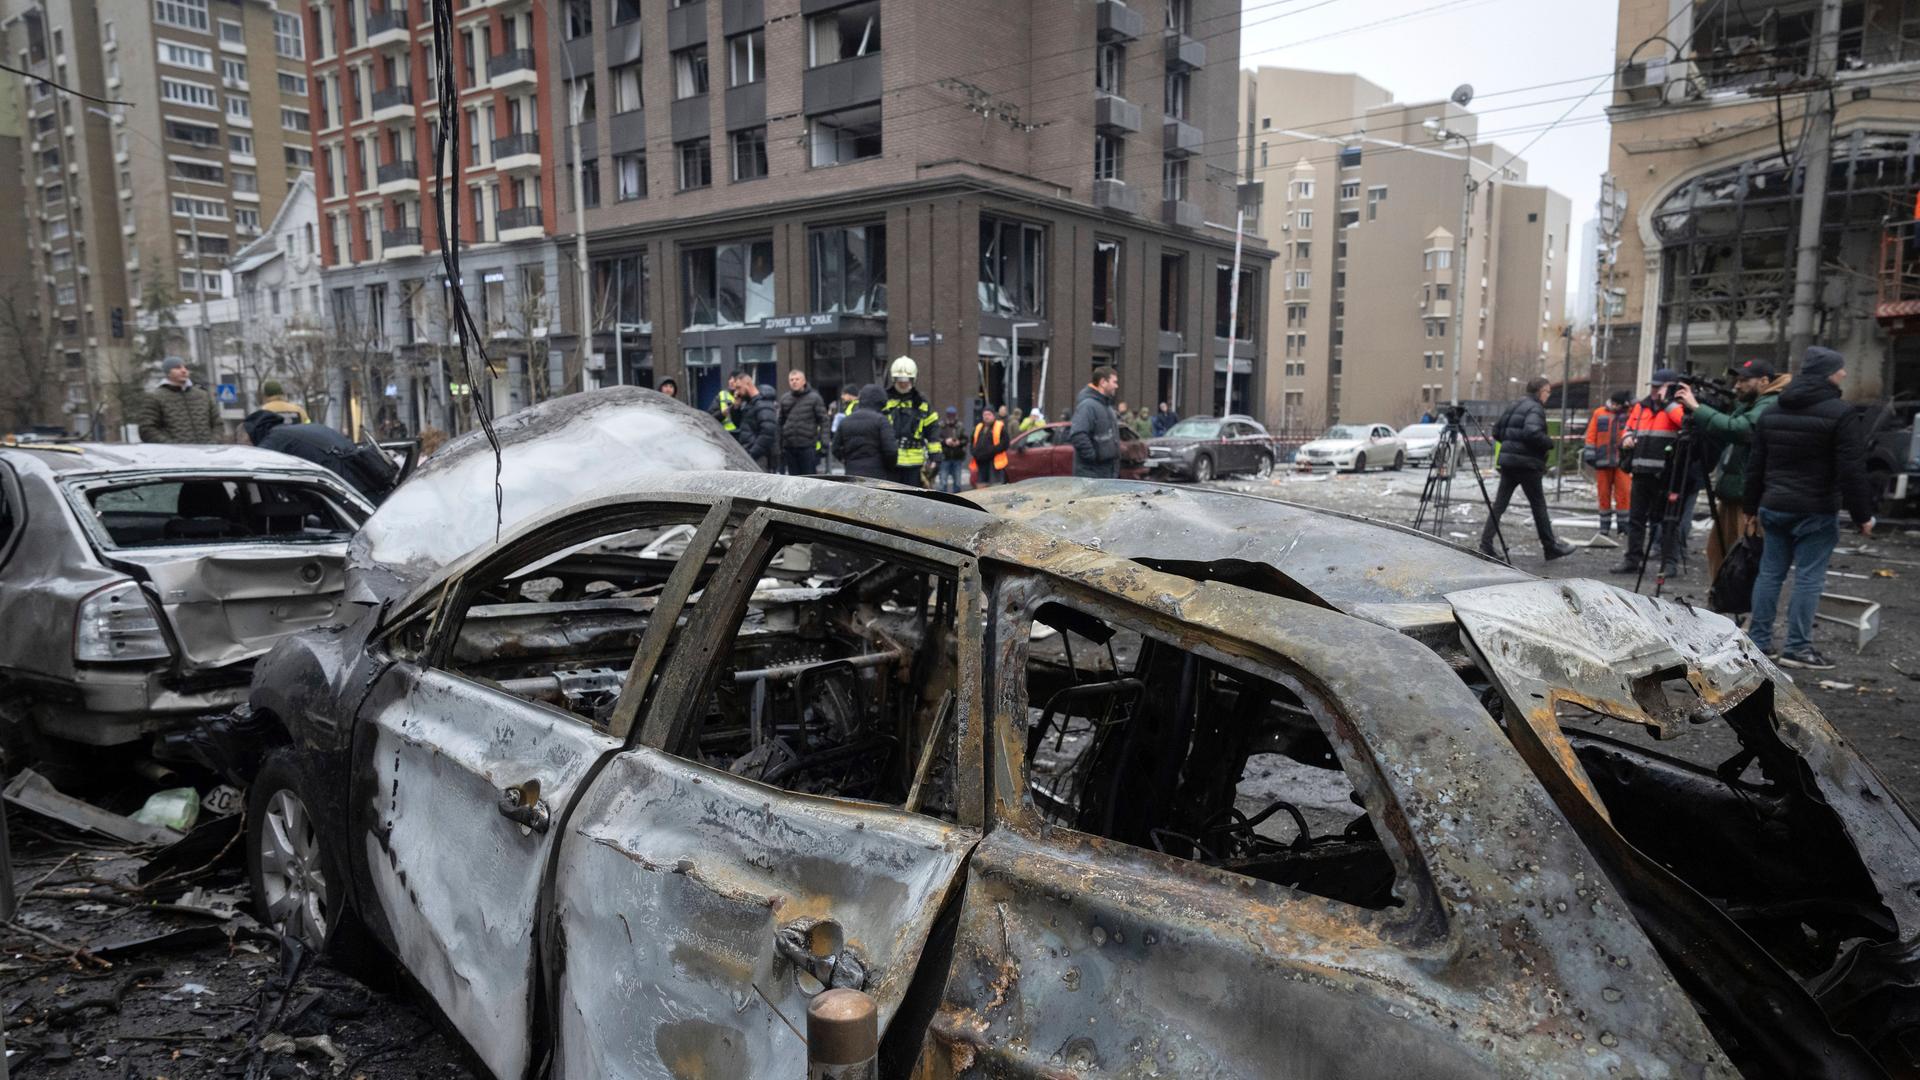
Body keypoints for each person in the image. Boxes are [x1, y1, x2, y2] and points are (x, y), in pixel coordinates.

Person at [1743, 347, 1876, 670]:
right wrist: (1863, 515)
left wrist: (1750, 506)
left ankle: (1758, 642)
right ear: (1829, 374)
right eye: (1840, 369)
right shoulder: (1841, 413)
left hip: (1773, 506)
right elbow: (1851, 469)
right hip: (1816, 509)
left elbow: (1756, 464)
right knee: (1808, 579)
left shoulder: (1773, 411)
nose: (1844, 374)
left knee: (1770, 574)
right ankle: (1797, 648)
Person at [1678, 358, 1791, 581]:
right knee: (1718, 551)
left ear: (1764, 381)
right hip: (1734, 491)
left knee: (1745, 555)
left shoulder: (1770, 405)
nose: (1737, 385)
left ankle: (1742, 605)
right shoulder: (1750, 404)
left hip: (1749, 496)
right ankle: (1721, 600)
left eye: (1744, 380)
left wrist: (1697, 408)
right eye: (1736, 380)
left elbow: (1739, 429)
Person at [1479, 376, 1578, 561]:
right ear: (1541, 391)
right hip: (1527, 465)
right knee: (1539, 505)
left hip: (1509, 463)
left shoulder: (1515, 405)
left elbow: (1497, 431)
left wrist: (1512, 447)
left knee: (1499, 505)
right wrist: (1548, 443)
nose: (1548, 396)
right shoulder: (1535, 408)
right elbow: (1532, 432)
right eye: (1548, 392)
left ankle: (1485, 544)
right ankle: (1550, 547)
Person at [1609, 369, 1692, 577]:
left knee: (1668, 520)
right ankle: (1632, 560)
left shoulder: (1677, 407)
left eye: (1659, 386)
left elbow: (1685, 423)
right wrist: (1627, 437)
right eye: (1653, 386)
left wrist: (1669, 402)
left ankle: (1669, 563)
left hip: (1666, 474)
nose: (1654, 390)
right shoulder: (1641, 407)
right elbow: (1628, 427)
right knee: (1636, 519)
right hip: (1641, 471)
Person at [242, 410, 398, 503]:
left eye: (244, 444)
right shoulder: (297, 430)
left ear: (250, 436)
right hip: (367, 485)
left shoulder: (272, 441)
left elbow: (252, 469)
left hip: (345, 493)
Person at [1582, 390, 1634, 535]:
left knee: (1623, 494)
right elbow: (1591, 435)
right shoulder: (1599, 413)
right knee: (1603, 495)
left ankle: (1623, 525)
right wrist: (1590, 455)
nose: (1615, 406)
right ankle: (1604, 526)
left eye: (1618, 404)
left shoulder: (1630, 413)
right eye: (1614, 403)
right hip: (1603, 461)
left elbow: (1639, 410)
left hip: (1621, 462)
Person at [139, 357, 222, 444]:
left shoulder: (203, 395)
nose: (183, 370)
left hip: (206, 454)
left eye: (185, 367)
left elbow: (218, 424)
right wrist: (171, 445)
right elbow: (147, 429)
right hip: (174, 455)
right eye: (177, 368)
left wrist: (214, 442)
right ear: (168, 372)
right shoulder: (155, 397)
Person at [882, 356, 937, 487]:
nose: (903, 383)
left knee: (913, 501)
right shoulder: (884, 400)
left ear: (913, 379)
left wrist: (936, 457)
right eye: (899, 380)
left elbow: (933, 431)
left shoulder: (922, 403)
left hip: (914, 465)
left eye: (906, 380)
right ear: (894, 379)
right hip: (890, 462)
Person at [832, 384, 897, 480]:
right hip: (877, 473)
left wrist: (848, 461)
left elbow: (835, 448)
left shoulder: (846, 421)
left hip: (852, 472)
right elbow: (891, 450)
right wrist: (889, 467)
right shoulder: (881, 421)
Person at [1068, 366, 1123, 479]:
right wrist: (1093, 457)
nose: (1116, 386)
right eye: (1114, 382)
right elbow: (1078, 435)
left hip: (1105, 475)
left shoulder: (1106, 406)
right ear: (1103, 382)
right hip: (1092, 476)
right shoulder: (1088, 406)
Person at [778, 368, 828, 475]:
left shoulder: (815, 398)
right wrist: (779, 446)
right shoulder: (785, 399)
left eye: (797, 379)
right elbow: (780, 423)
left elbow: (824, 420)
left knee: (809, 477)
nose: (794, 382)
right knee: (794, 479)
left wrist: (824, 442)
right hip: (789, 447)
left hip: (807, 446)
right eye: (791, 380)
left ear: (804, 381)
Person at [728, 372, 779, 470]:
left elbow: (768, 432)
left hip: (759, 456)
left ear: (748, 384)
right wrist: (736, 407)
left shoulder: (763, 403)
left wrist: (752, 453)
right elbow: (739, 425)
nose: (737, 392)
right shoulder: (749, 403)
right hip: (751, 453)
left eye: (739, 388)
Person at [972, 406, 1010, 486]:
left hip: (994, 463)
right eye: (985, 415)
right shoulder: (979, 427)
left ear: (993, 415)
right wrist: (975, 452)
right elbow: (972, 442)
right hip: (981, 462)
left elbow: (1005, 443)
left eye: (988, 414)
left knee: (995, 486)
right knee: (981, 486)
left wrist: (991, 451)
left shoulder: (1000, 426)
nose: (986, 417)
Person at [936, 406, 968, 493]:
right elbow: (936, 439)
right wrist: (945, 441)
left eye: (952, 416)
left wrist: (959, 442)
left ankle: (957, 500)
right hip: (944, 457)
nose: (951, 418)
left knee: (957, 483)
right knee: (943, 482)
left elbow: (966, 439)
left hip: (957, 456)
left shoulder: (960, 426)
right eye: (949, 416)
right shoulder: (941, 426)